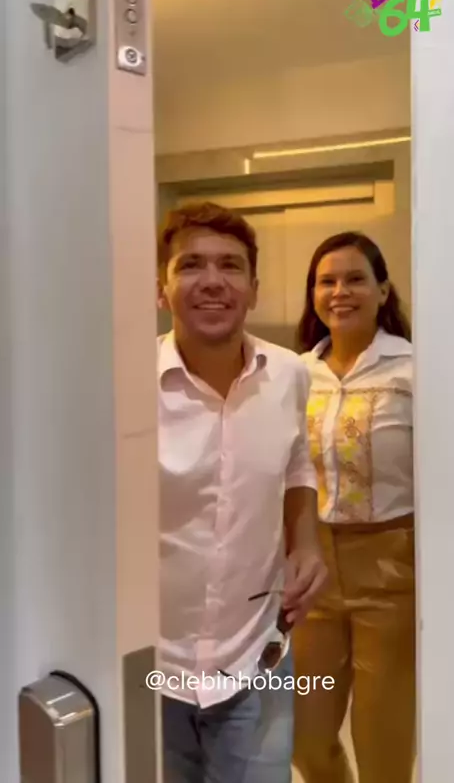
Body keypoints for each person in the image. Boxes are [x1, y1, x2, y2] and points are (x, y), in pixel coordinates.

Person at [156, 202, 328, 783]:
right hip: (150, 664)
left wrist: (306, 542)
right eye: (190, 265)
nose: (212, 281)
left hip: (256, 655)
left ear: (254, 288)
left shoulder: (289, 374)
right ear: (161, 289)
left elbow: (296, 460)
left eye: (230, 265)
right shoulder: (123, 384)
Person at [292, 231, 415, 783]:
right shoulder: (295, 373)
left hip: (394, 571)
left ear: (383, 290)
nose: (339, 292)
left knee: (382, 740)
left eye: (355, 279)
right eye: (327, 281)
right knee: (304, 736)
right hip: (312, 574)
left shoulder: (414, 370)